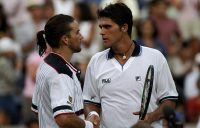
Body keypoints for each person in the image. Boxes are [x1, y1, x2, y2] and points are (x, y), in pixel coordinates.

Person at [83, 3, 178, 128]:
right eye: (101, 27)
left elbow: (169, 100)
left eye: (107, 27)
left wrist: (151, 117)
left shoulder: (156, 57)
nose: (101, 32)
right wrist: (93, 114)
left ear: (124, 27)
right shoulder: (95, 61)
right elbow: (90, 101)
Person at [31, 14, 95, 128]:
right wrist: (89, 125)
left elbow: (36, 109)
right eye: (77, 32)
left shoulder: (44, 64)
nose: (82, 37)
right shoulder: (61, 73)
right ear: (65, 39)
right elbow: (64, 118)